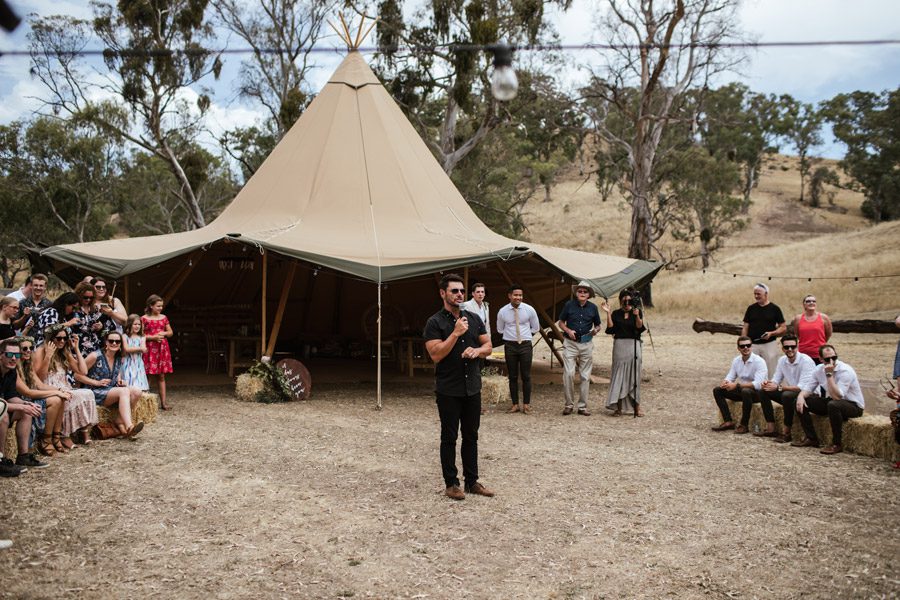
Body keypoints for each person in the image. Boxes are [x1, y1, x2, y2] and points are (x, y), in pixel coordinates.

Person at [423, 273, 494, 501]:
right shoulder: (434, 322)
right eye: (454, 291)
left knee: (471, 436)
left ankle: (472, 481)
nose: (460, 294)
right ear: (443, 293)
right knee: (449, 437)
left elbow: (489, 346)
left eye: (462, 291)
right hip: (448, 389)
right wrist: (455, 333)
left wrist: (477, 351)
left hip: (472, 387)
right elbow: (435, 354)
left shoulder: (473, 318)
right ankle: (451, 484)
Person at [32, 324, 99, 446]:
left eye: (64, 338)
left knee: (87, 393)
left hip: (64, 386)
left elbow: (83, 371)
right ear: (51, 339)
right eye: (58, 338)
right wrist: (48, 356)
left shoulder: (65, 352)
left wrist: (76, 349)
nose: (62, 341)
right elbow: (39, 379)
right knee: (69, 396)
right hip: (48, 388)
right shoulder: (40, 351)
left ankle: (81, 432)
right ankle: (63, 434)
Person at [793, 344, 864, 455]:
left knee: (833, 404)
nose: (831, 361)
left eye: (834, 358)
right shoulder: (818, 369)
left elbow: (838, 397)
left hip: (853, 406)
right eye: (827, 359)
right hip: (833, 402)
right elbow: (808, 388)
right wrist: (801, 396)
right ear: (821, 359)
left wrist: (829, 375)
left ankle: (837, 444)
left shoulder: (845, 371)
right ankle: (811, 438)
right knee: (799, 401)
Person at [79, 331, 144, 438]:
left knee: (137, 391)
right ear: (106, 342)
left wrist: (119, 380)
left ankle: (119, 420)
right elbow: (77, 375)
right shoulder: (95, 356)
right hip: (94, 391)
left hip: (111, 390)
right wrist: (95, 382)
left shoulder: (119, 357)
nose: (114, 343)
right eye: (111, 341)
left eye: (117, 341)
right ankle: (129, 426)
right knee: (124, 391)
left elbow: (116, 372)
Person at [0, 337, 48, 470]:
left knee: (25, 411)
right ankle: (1, 460)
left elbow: (11, 397)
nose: (14, 358)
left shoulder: (11, 372)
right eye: (9, 354)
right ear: (0, 356)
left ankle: (23, 456)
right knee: (3, 416)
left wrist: (26, 405)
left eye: (17, 355)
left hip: (2, 406)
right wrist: (21, 405)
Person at [13, 336, 66, 456]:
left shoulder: (27, 365)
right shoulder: (14, 367)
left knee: (61, 397)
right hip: (19, 401)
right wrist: (55, 392)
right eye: (24, 348)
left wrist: (59, 390)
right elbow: (27, 392)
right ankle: (46, 440)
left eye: (31, 348)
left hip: (29, 398)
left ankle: (55, 436)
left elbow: (40, 385)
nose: (28, 351)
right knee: (56, 400)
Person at [759, 334, 817, 442]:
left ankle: (786, 432)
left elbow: (802, 388)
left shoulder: (806, 361)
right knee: (763, 391)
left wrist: (779, 387)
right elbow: (776, 380)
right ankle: (771, 428)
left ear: (797, 346)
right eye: (786, 347)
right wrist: (768, 383)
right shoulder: (782, 360)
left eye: (793, 347)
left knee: (787, 395)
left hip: (808, 394)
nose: (790, 349)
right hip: (791, 392)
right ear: (782, 348)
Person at [557, 280, 603, 416]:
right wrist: (568, 330)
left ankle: (582, 407)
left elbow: (598, 325)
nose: (582, 293)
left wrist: (596, 330)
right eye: (580, 291)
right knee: (569, 374)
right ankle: (569, 405)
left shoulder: (593, 308)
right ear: (576, 293)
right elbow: (560, 322)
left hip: (586, 343)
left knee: (585, 376)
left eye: (585, 291)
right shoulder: (569, 305)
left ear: (589, 295)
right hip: (570, 343)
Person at [495, 284, 540, 414]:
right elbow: (500, 329)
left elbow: (535, 327)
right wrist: (512, 337)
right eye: (515, 295)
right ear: (509, 296)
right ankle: (515, 404)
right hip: (510, 346)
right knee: (513, 376)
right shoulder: (503, 311)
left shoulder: (529, 309)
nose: (518, 297)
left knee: (526, 375)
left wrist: (525, 336)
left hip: (525, 345)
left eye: (520, 295)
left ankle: (526, 404)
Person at [602, 289, 646, 417]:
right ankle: (618, 407)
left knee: (634, 376)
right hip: (620, 346)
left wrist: (637, 315)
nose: (626, 303)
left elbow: (639, 327)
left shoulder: (636, 312)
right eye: (624, 301)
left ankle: (637, 407)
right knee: (619, 376)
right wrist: (608, 313)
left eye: (629, 301)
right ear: (620, 301)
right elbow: (611, 328)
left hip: (634, 345)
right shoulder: (616, 313)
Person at [711, 336, 769, 434]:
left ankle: (744, 425)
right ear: (738, 348)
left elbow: (758, 384)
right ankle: (728, 421)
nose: (746, 347)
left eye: (748, 345)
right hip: (742, 391)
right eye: (742, 346)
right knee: (717, 390)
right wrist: (726, 382)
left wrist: (737, 386)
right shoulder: (736, 360)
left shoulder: (759, 361)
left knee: (745, 391)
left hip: (758, 393)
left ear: (751, 347)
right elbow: (731, 376)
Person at [740, 283, 786, 378]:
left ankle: (771, 390)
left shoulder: (775, 309)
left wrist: (772, 333)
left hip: (769, 344)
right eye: (755, 294)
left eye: (758, 294)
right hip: (752, 345)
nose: (756, 296)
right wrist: (744, 342)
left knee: (771, 371)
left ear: (766, 294)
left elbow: (783, 327)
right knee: (751, 369)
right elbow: (745, 327)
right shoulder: (751, 308)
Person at [141, 294, 173, 411]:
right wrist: (153, 337)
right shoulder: (143, 318)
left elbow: (170, 332)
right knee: (147, 375)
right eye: (158, 306)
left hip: (161, 349)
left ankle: (163, 402)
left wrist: (164, 333)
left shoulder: (164, 318)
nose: (160, 308)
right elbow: (140, 334)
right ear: (151, 306)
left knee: (161, 375)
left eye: (161, 306)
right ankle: (143, 403)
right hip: (149, 349)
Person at [791, 295, 832, 364]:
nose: (811, 303)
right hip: (803, 354)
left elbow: (828, 334)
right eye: (808, 301)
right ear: (804, 304)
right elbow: (798, 335)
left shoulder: (824, 318)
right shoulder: (798, 318)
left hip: (820, 354)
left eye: (813, 301)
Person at [122, 314, 149, 391]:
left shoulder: (142, 336)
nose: (137, 326)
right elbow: (126, 349)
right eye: (135, 324)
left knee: (138, 381)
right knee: (128, 380)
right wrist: (140, 348)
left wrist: (140, 349)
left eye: (139, 324)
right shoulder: (125, 336)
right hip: (127, 362)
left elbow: (144, 348)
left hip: (138, 362)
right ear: (130, 324)